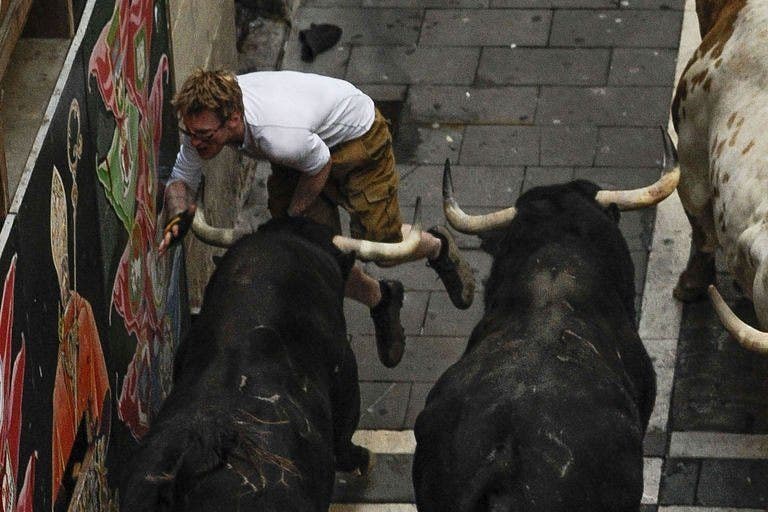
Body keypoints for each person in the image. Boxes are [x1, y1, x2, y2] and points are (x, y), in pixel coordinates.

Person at [159, 69, 475, 368]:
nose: (196, 142)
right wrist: (176, 216)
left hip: (357, 141)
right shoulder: (204, 116)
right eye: (191, 133)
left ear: (234, 118)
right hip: (303, 152)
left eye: (203, 135)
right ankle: (382, 299)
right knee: (314, 254)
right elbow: (182, 178)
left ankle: (437, 246)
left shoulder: (278, 136)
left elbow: (319, 163)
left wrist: (295, 216)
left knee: (385, 245)